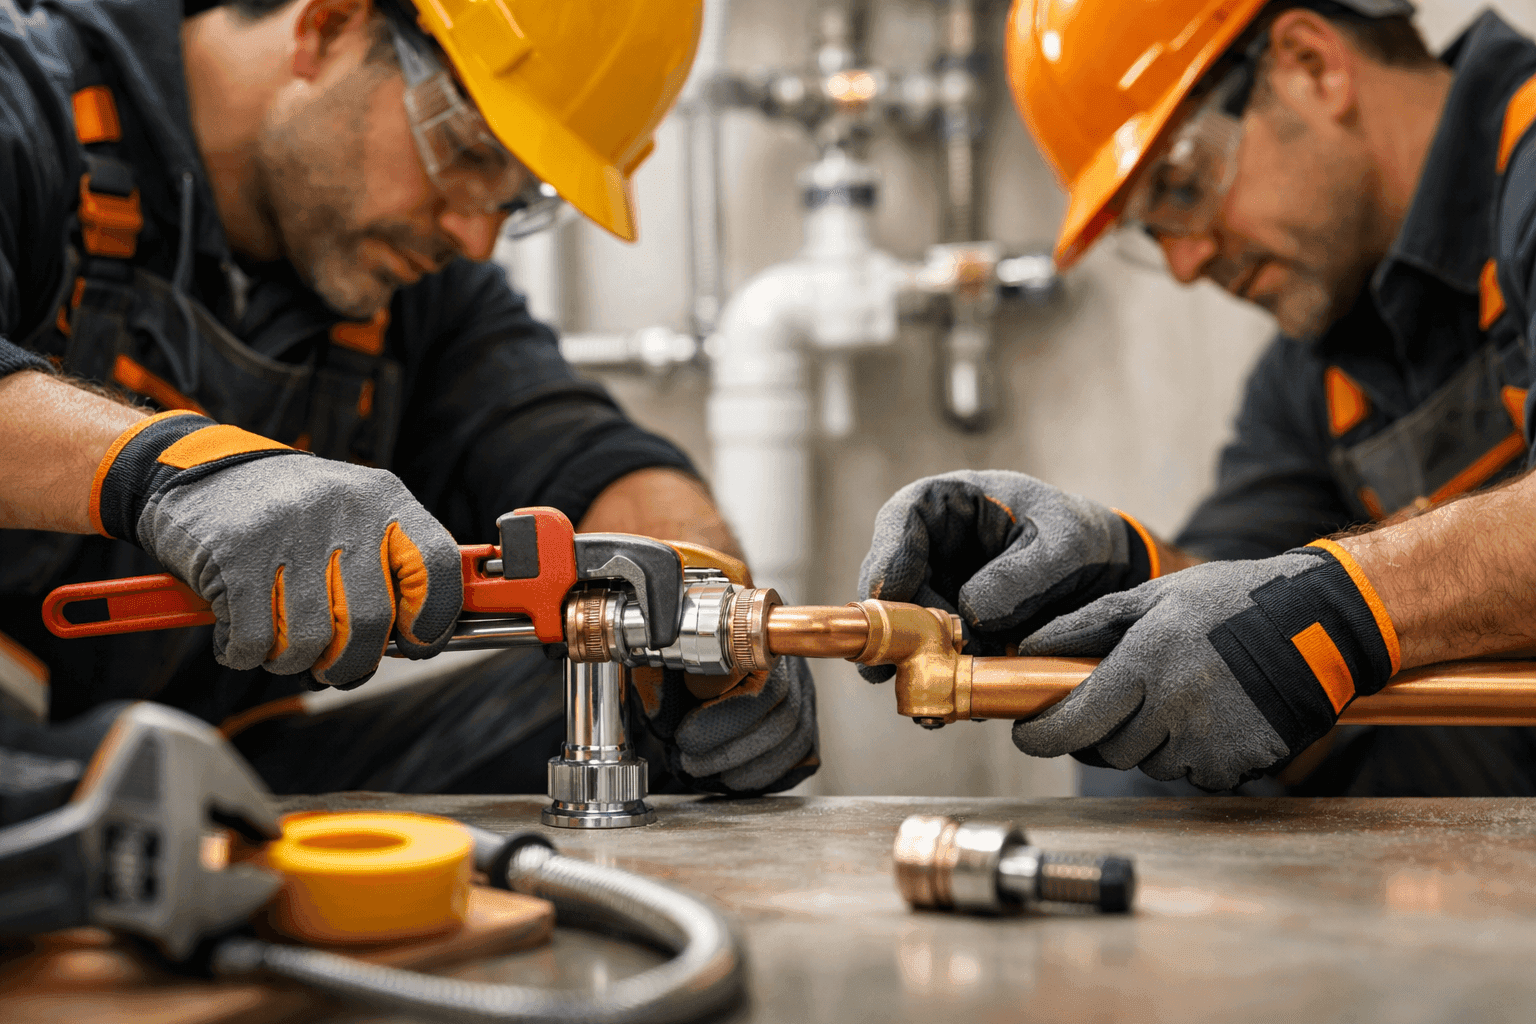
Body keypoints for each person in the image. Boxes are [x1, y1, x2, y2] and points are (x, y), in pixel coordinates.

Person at [0, 0, 817, 798]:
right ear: (329, 27)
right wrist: (177, 472)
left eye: (516, 200)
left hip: (214, 779)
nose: (475, 236)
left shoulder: (424, 298)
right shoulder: (25, 100)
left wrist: (706, 609)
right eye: (466, 152)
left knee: (627, 708)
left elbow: (578, 448)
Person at [859, 0, 1536, 796]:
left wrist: (1351, 602)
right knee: (1151, 743)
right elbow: (1239, 610)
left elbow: (1308, 607)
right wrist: (1107, 573)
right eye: (1153, 232)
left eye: (1180, 188)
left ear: (1312, 65)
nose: (1185, 263)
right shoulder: (1319, 367)